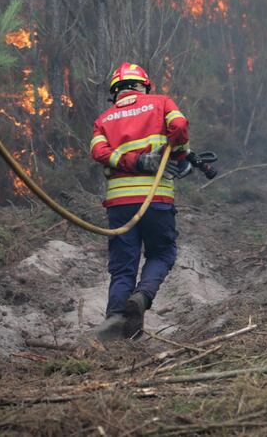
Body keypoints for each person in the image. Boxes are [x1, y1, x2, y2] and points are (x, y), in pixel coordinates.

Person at [90, 62, 192, 340]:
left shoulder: (104, 119)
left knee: (123, 267)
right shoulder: (161, 103)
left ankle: (116, 327)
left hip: (120, 204)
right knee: (162, 253)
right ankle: (143, 296)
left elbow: (99, 152)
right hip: (156, 199)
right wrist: (177, 157)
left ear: (116, 92)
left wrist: (135, 160)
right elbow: (180, 126)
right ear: (143, 85)